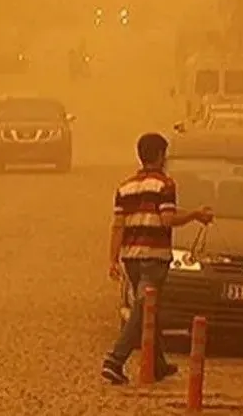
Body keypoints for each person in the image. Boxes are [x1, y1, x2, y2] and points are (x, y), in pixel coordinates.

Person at [102, 132, 214, 386]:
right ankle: (115, 360)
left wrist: (112, 259)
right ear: (161, 156)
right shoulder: (165, 185)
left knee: (149, 309)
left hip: (130, 258)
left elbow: (117, 225)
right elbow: (167, 219)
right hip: (154, 258)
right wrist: (195, 215)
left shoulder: (125, 187)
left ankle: (158, 365)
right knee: (143, 310)